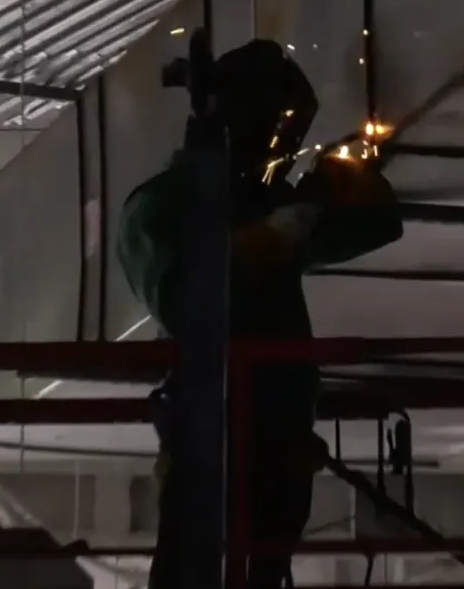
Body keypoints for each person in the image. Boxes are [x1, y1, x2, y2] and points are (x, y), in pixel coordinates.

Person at [116, 39, 404, 589]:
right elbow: (185, 301)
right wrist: (279, 231)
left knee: (266, 571)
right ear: (233, 115)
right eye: (272, 122)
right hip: (210, 434)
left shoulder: (262, 204)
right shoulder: (159, 205)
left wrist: (347, 182)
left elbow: (373, 228)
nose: (280, 142)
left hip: (282, 427)